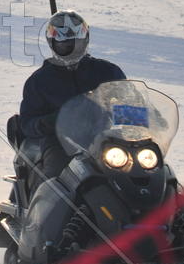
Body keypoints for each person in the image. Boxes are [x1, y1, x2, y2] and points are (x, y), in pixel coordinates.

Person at [17, 10, 125, 191]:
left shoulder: (107, 72)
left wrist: (147, 118)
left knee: (148, 168)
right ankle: (46, 216)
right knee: (57, 183)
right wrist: (49, 122)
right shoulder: (39, 81)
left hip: (107, 140)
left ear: (86, 40)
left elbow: (129, 102)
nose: (72, 48)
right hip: (60, 144)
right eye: (64, 44)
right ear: (52, 43)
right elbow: (27, 123)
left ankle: (172, 212)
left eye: (76, 42)